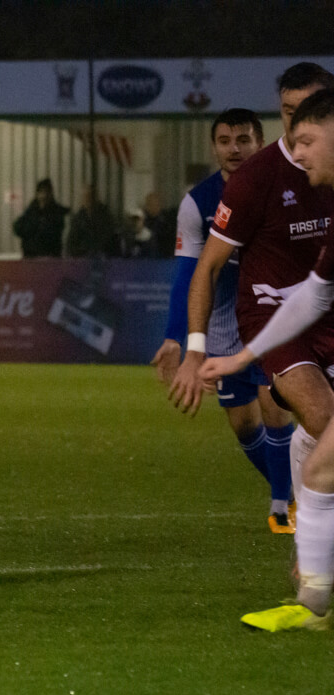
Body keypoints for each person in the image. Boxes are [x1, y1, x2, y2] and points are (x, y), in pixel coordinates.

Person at [198, 88, 334, 631]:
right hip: (293, 330)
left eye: (305, 141)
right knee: (321, 464)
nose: (295, 153)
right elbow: (315, 295)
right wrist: (242, 357)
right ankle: (314, 603)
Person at [150, 108, 294, 534]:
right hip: (223, 328)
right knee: (244, 425)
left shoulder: (284, 187)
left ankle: (282, 508)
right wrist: (176, 337)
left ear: (260, 141)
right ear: (214, 147)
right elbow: (189, 273)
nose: (235, 148)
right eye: (226, 140)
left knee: (275, 406)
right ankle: (296, 492)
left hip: (272, 319)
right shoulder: (198, 203)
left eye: (244, 139)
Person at [12, 178, 68, 257]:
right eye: (41, 192)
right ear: (37, 194)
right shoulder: (30, 211)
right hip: (31, 258)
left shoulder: (57, 212)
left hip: (51, 258)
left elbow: (53, 233)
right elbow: (17, 228)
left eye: (46, 192)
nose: (43, 196)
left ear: (50, 194)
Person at [65, 185, 117, 257]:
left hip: (103, 259)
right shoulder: (77, 220)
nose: (89, 200)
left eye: (91, 196)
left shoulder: (105, 217)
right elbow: (71, 243)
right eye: (86, 197)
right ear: (82, 200)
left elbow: (111, 239)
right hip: (83, 260)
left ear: (96, 198)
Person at [142, 191, 176, 258]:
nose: (152, 207)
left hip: (163, 258)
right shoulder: (143, 221)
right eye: (149, 204)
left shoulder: (168, 222)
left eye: (154, 204)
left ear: (160, 205)